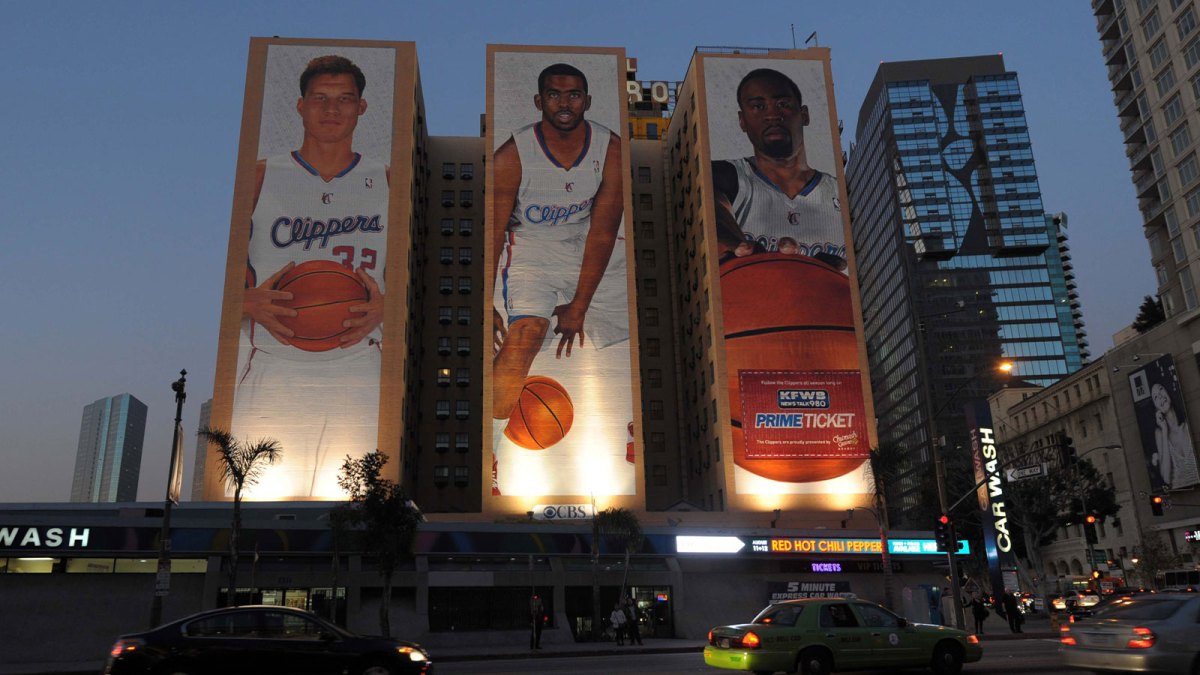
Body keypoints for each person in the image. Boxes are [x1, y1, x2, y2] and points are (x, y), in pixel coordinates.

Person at [231, 54, 388, 498]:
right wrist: (244, 300)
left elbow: (416, 278)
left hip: (359, 362)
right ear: (300, 106)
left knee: (360, 505)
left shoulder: (390, 181)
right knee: (249, 503)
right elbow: (222, 271)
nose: (332, 109)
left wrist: (390, 305)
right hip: (272, 363)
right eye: (320, 98)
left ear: (362, 107)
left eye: (344, 99)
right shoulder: (261, 176)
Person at [490, 63, 625, 491]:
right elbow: (492, 231)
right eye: (554, 95)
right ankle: (488, 454)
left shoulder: (611, 148)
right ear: (539, 101)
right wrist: (482, 302)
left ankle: (625, 448)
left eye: (573, 95)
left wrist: (579, 305)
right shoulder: (513, 154)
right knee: (527, 332)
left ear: (586, 100)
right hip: (531, 244)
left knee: (628, 338)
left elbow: (604, 229)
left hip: (588, 242)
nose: (564, 104)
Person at [711, 68, 845, 268]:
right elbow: (710, 204)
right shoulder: (728, 176)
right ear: (742, 120)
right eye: (758, 106)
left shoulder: (841, 193)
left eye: (783, 104)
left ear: (804, 114)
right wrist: (739, 247)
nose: (772, 114)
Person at [1151, 382, 1200, 489]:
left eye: (1161, 389)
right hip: (1181, 496)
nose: (1160, 396)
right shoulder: (1160, 434)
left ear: (1168, 391)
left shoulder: (1187, 424)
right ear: (1156, 409)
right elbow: (1166, 478)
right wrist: (1164, 430)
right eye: (1155, 397)